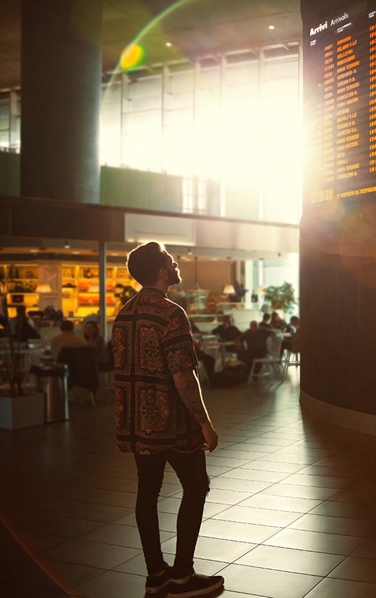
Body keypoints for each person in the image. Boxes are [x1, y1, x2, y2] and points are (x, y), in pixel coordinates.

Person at [112, 241, 224, 596]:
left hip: (135, 424)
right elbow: (182, 375)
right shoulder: (170, 312)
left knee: (147, 493)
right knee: (196, 487)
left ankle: (155, 575)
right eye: (171, 261)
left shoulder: (124, 313)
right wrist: (204, 422)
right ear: (162, 271)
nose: (176, 265)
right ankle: (182, 576)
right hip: (171, 424)